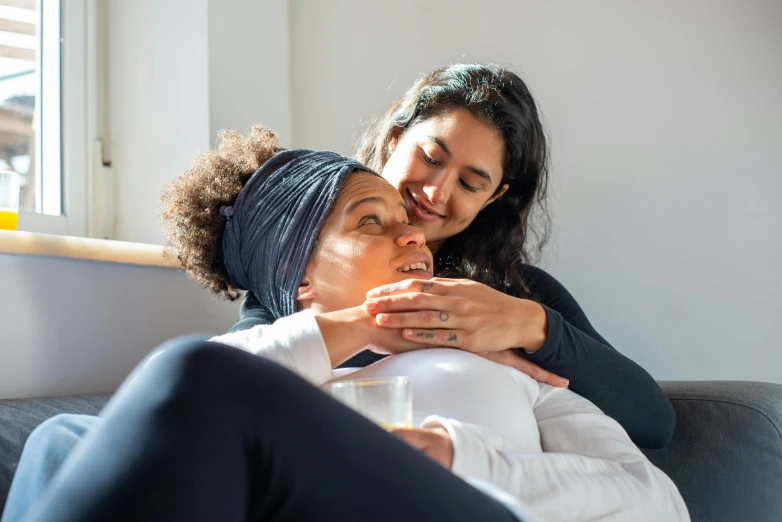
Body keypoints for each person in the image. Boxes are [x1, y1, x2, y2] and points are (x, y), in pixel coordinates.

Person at [6, 131, 688, 522]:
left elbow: (657, 501)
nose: (416, 237)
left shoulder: (500, 357)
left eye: (407, 222)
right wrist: (368, 328)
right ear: (300, 282)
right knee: (58, 439)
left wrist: (461, 459)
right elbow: (200, 392)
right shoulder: (268, 364)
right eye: (372, 221)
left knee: (185, 378)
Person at [236, 63, 675, 448]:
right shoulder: (303, 263)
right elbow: (226, 381)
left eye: (470, 184)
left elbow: (653, 421)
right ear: (394, 139)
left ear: (493, 197)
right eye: (430, 157)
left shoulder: (519, 292)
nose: (435, 193)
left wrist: (529, 324)